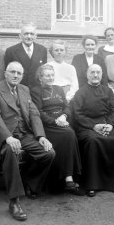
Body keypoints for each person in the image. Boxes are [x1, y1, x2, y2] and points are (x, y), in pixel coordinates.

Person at [0, 61, 55, 221]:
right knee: (10, 151)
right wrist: (8, 137)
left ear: (22, 76)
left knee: (48, 153)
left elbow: (33, 113)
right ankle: (14, 201)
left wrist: (41, 136)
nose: (16, 75)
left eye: (19, 73)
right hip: (3, 136)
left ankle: (31, 184)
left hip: (24, 134)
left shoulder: (24, 89)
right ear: (5, 73)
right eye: (12, 72)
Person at [72, 64, 114, 197]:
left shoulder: (108, 91)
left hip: (107, 123)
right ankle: (92, 184)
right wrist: (93, 126)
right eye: (92, 72)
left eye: (98, 72)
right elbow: (77, 114)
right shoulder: (81, 92)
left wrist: (110, 124)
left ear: (102, 75)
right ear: (87, 75)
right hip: (87, 126)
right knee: (93, 140)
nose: (95, 75)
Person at [30, 64, 82, 195]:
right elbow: (39, 112)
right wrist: (54, 121)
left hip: (62, 121)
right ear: (40, 78)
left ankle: (68, 177)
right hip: (48, 125)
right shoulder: (35, 91)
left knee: (70, 133)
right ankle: (68, 178)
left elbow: (66, 106)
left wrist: (64, 116)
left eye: (52, 75)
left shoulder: (59, 89)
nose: (50, 77)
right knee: (69, 134)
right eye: (47, 75)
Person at [4, 23, 47, 87]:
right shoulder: (11, 51)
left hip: (37, 90)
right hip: (18, 89)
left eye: (32, 34)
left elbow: (43, 71)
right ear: (20, 36)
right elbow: (8, 74)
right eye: (26, 34)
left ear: (36, 36)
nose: (29, 37)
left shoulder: (42, 50)